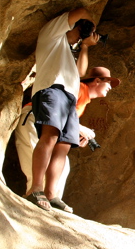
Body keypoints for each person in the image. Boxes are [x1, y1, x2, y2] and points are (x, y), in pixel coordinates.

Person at [25, 7, 101, 212]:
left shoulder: (68, 50)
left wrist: (85, 46)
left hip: (68, 97)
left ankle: (51, 194)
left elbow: (81, 72)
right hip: (52, 89)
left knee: (64, 145)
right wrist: (90, 24)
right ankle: (36, 188)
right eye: (79, 30)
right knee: (50, 137)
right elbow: (82, 10)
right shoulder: (51, 35)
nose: (79, 35)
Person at [15, 67, 120, 212]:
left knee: (63, 165)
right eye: (108, 82)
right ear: (97, 81)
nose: (110, 87)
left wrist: (75, 133)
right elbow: (56, 107)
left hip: (46, 126)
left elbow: (65, 122)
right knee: (36, 157)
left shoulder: (84, 100)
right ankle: (34, 198)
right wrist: (79, 127)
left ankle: (51, 198)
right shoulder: (79, 89)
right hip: (35, 118)